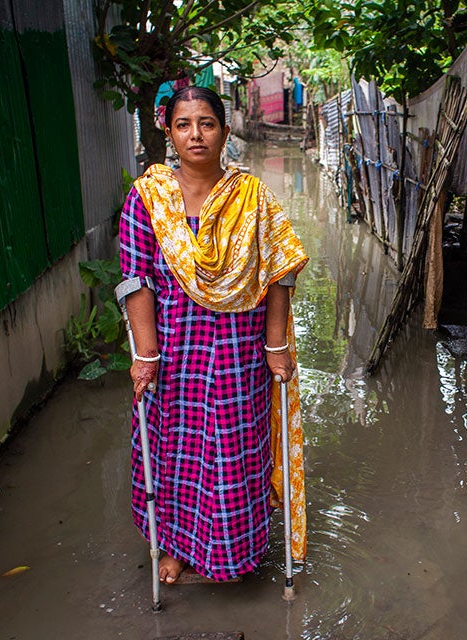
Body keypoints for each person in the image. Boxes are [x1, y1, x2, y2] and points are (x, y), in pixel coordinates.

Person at [118, 86, 308, 584]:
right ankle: (176, 549)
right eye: (184, 124)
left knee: (233, 452)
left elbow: (278, 272)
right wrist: (146, 355)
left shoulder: (253, 197)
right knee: (175, 453)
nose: (195, 134)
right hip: (175, 353)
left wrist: (277, 348)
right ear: (169, 131)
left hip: (237, 353)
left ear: (225, 131)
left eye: (206, 123)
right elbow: (136, 281)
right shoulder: (148, 199)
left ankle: (234, 555)